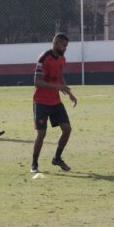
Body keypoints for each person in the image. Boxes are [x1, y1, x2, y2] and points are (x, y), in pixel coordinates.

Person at [31, 34, 77, 174]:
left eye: (67, 46)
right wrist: (58, 86)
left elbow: (59, 76)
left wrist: (69, 92)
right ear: (55, 43)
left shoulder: (62, 59)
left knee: (67, 129)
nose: (65, 48)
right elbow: (37, 82)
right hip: (41, 102)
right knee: (42, 133)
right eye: (63, 45)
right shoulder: (44, 58)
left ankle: (57, 158)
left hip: (55, 101)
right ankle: (34, 163)